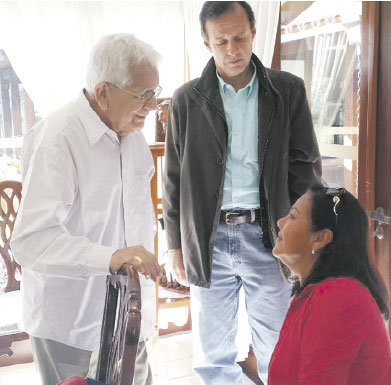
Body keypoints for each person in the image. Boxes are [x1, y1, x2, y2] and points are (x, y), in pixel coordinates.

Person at [163, 1, 321, 384]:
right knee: (213, 354)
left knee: (278, 345)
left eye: (239, 37)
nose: (232, 49)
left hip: (270, 235)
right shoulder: (186, 100)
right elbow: (172, 179)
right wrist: (175, 245)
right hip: (208, 238)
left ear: (253, 33)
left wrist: (307, 234)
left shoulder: (286, 91)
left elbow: (305, 168)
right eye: (221, 42)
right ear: (206, 42)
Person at [10, 33, 162, 385]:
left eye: (154, 92)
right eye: (142, 95)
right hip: (72, 325)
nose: (152, 105)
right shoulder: (58, 138)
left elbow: (134, 222)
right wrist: (112, 256)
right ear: (103, 92)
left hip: (127, 318)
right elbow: (31, 242)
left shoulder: (134, 136)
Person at [269, 184, 391, 385]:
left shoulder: (339, 298)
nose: (280, 222)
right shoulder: (317, 295)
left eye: (292, 216)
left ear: (320, 239)